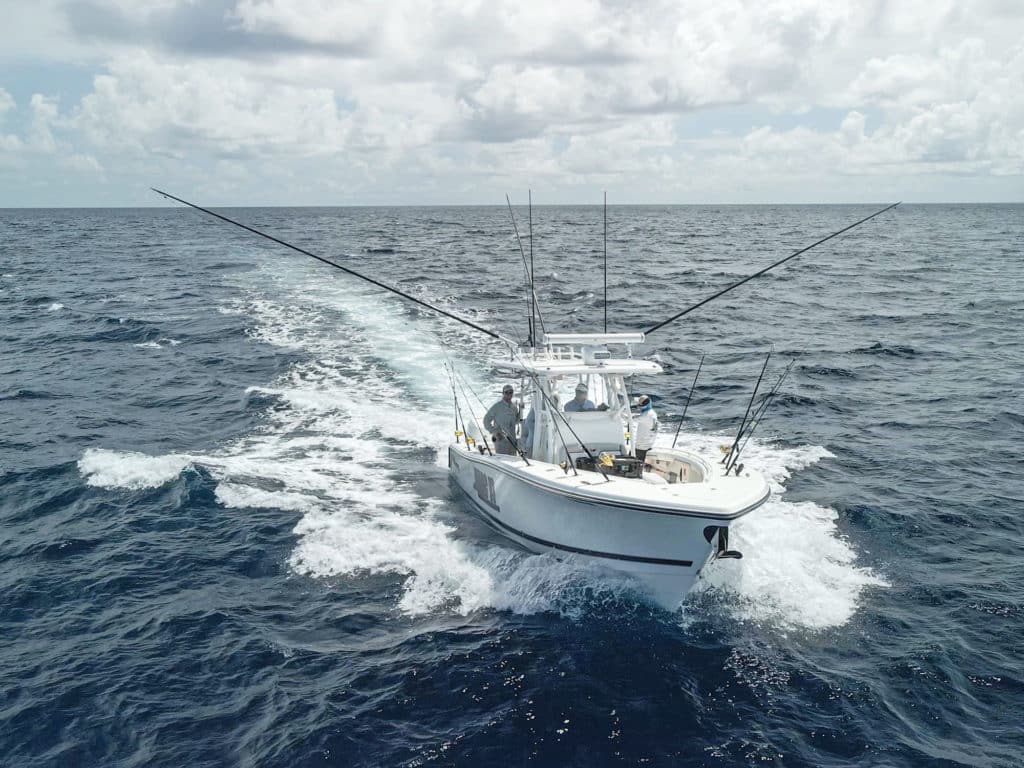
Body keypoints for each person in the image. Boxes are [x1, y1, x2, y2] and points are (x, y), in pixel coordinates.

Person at [483, 383, 520, 455]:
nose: (509, 394)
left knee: (513, 461)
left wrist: (521, 410)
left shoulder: (514, 407)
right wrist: (495, 432)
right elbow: (486, 420)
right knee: (503, 460)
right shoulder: (497, 406)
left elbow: (516, 421)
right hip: (501, 440)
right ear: (503, 393)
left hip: (512, 440)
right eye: (506, 392)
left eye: (511, 392)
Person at [634, 394, 658, 464]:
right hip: (649, 444)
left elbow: (629, 419)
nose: (640, 408)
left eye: (641, 406)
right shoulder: (652, 413)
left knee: (635, 465)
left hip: (641, 446)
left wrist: (619, 413)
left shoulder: (646, 416)